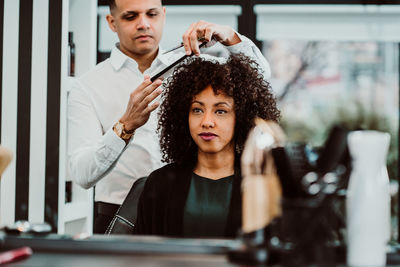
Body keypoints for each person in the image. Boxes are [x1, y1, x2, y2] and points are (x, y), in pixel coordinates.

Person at [67, 0, 271, 233]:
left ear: (163, 15)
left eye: (151, 14)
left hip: (188, 201)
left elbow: (257, 83)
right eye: (131, 16)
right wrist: (125, 126)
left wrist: (230, 37)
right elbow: (82, 174)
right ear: (112, 22)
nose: (143, 24)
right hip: (119, 215)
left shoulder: (193, 67)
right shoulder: (88, 86)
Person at [133, 54, 280, 238]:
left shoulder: (262, 184)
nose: (207, 122)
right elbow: (143, 255)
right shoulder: (159, 183)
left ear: (241, 117)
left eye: (220, 111)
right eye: (197, 110)